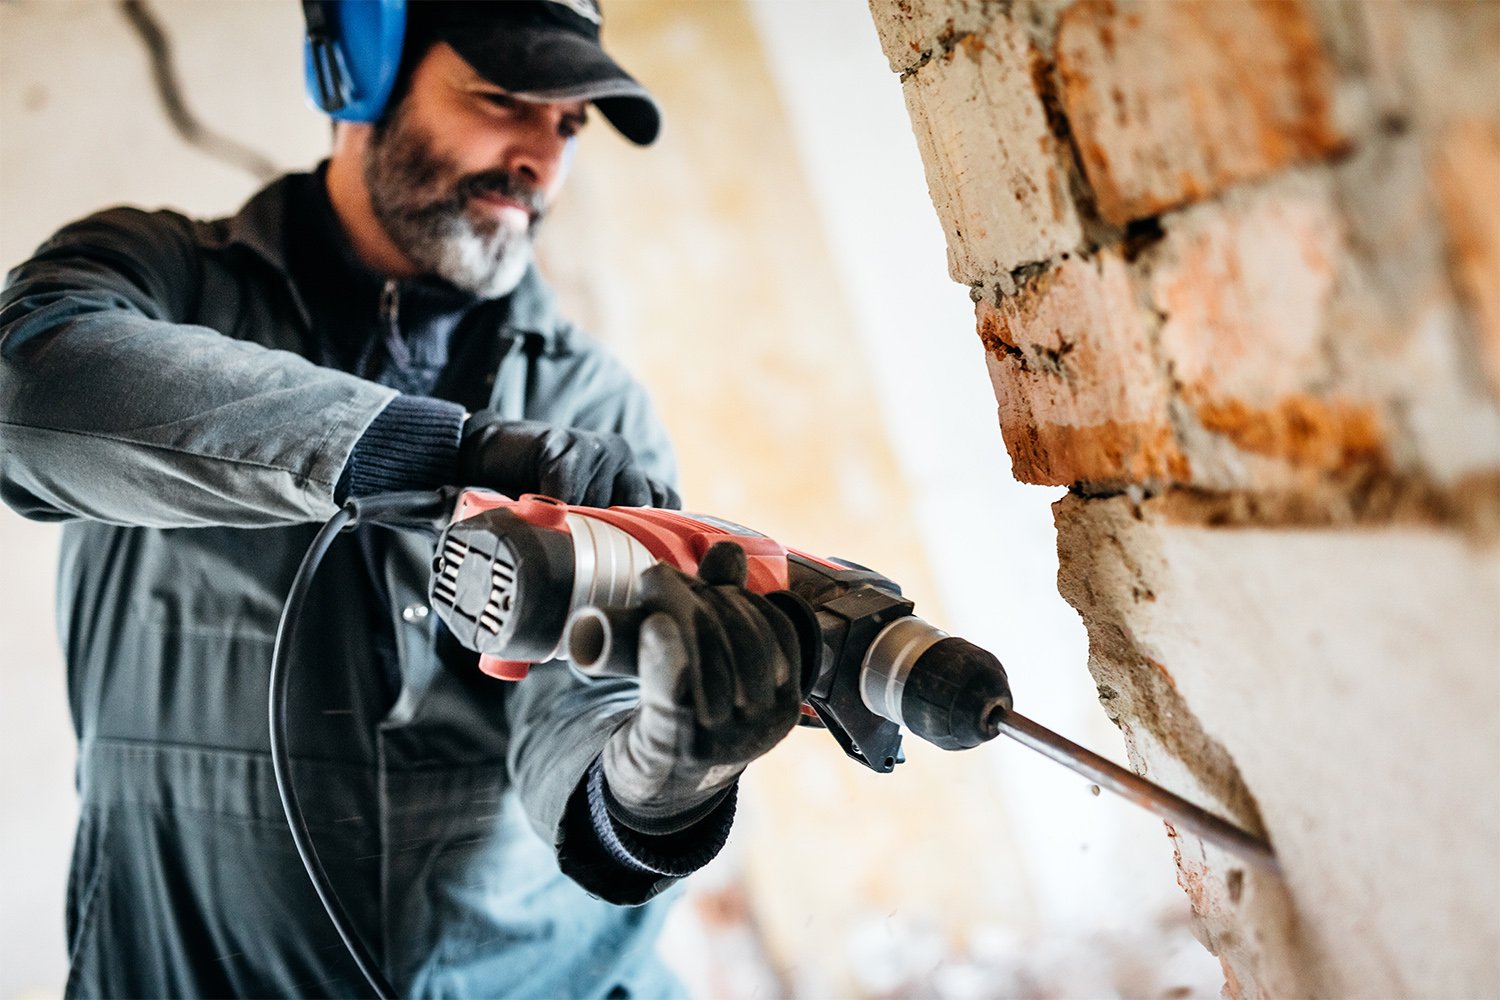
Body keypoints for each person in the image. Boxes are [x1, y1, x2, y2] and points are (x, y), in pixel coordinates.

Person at [0, 2, 807, 996]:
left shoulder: (590, 402)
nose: (539, 161)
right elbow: (26, 392)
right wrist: (450, 450)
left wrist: (654, 781)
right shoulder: (162, 281)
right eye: (505, 99)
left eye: (567, 125)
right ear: (359, 74)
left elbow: (581, 699)